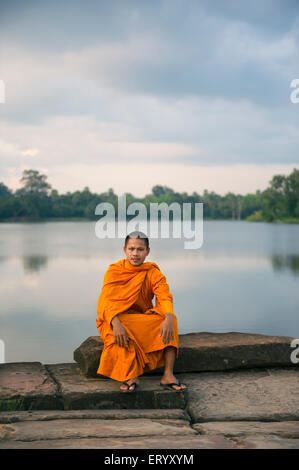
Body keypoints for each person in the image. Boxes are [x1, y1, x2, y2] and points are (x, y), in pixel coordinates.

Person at [96, 231, 187, 393]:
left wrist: (167, 315)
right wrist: (114, 321)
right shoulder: (114, 271)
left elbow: (164, 297)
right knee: (120, 326)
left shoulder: (152, 273)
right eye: (131, 249)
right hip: (116, 319)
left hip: (140, 319)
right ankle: (131, 374)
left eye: (140, 249)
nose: (135, 254)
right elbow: (105, 301)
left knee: (171, 319)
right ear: (125, 250)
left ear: (147, 251)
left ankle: (168, 375)